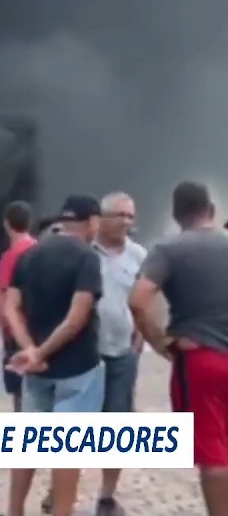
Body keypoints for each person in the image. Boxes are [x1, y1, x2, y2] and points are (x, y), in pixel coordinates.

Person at [130, 181, 228, 516]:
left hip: (202, 357)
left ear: (175, 215)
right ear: (211, 211)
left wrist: (160, 341)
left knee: (214, 451)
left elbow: (138, 299)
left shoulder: (169, 250)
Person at [4, 195, 105, 516]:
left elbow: (11, 307)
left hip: (38, 373)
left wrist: (30, 350)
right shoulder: (87, 258)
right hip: (78, 369)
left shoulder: (30, 255)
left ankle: (15, 510)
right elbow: (77, 317)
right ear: (92, 222)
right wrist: (42, 351)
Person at [90, 191, 146, 516]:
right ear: (102, 217)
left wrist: (140, 338)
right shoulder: (85, 252)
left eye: (130, 216)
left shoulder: (139, 255)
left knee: (118, 426)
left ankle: (106, 496)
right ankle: (60, 490)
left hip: (123, 353)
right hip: (85, 353)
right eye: (119, 215)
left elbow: (146, 300)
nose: (125, 222)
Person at [0, 200, 37, 412]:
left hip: (15, 334)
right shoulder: (40, 250)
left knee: (19, 391)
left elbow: (2, 300)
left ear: (6, 224)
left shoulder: (10, 258)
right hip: (39, 330)